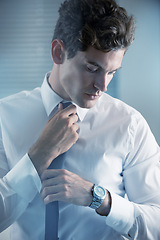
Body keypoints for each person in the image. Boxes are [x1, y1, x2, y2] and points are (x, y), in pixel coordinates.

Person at [0, 0, 160, 239]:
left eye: (112, 72)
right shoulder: (4, 116)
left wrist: (99, 198)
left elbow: (156, 224)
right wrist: (39, 155)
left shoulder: (130, 125)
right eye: (92, 69)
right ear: (58, 52)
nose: (103, 86)